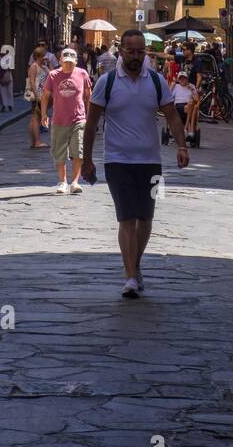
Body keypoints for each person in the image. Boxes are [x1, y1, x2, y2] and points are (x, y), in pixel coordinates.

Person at [82, 28, 189, 300]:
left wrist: (182, 145)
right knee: (127, 217)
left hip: (151, 162)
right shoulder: (106, 82)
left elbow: (172, 118)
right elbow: (92, 124)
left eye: (141, 51)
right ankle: (130, 275)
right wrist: (87, 160)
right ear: (121, 51)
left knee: (146, 218)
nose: (136, 56)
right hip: (117, 161)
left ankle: (135, 264)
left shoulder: (156, 82)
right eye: (131, 51)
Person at [41, 46, 91, 195]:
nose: (68, 64)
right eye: (66, 61)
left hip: (79, 119)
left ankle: (75, 182)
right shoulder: (53, 75)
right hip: (59, 119)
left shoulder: (82, 74)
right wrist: (44, 114)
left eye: (71, 62)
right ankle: (62, 182)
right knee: (59, 151)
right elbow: (45, 96)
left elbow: (89, 96)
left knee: (79, 151)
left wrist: (90, 117)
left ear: (76, 62)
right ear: (60, 61)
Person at [164, 68, 201, 148]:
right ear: (179, 79)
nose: (182, 80)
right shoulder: (176, 86)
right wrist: (172, 87)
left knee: (191, 104)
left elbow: (197, 99)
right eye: (181, 78)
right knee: (189, 105)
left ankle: (186, 127)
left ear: (187, 79)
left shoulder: (191, 86)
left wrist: (192, 90)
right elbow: (169, 97)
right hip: (179, 106)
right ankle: (187, 128)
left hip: (189, 107)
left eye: (184, 78)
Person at [25, 45, 49, 149]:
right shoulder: (34, 66)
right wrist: (36, 94)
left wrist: (49, 63)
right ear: (39, 56)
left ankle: (33, 141)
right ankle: (37, 141)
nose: (45, 57)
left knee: (36, 118)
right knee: (36, 117)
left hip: (43, 95)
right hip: (38, 95)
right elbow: (31, 80)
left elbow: (52, 73)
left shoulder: (44, 67)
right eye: (44, 55)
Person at [0, 45, 15, 111]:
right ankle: (4, 105)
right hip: (1, 76)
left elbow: (10, 67)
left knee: (9, 91)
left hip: (8, 76)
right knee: (2, 91)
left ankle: (10, 104)